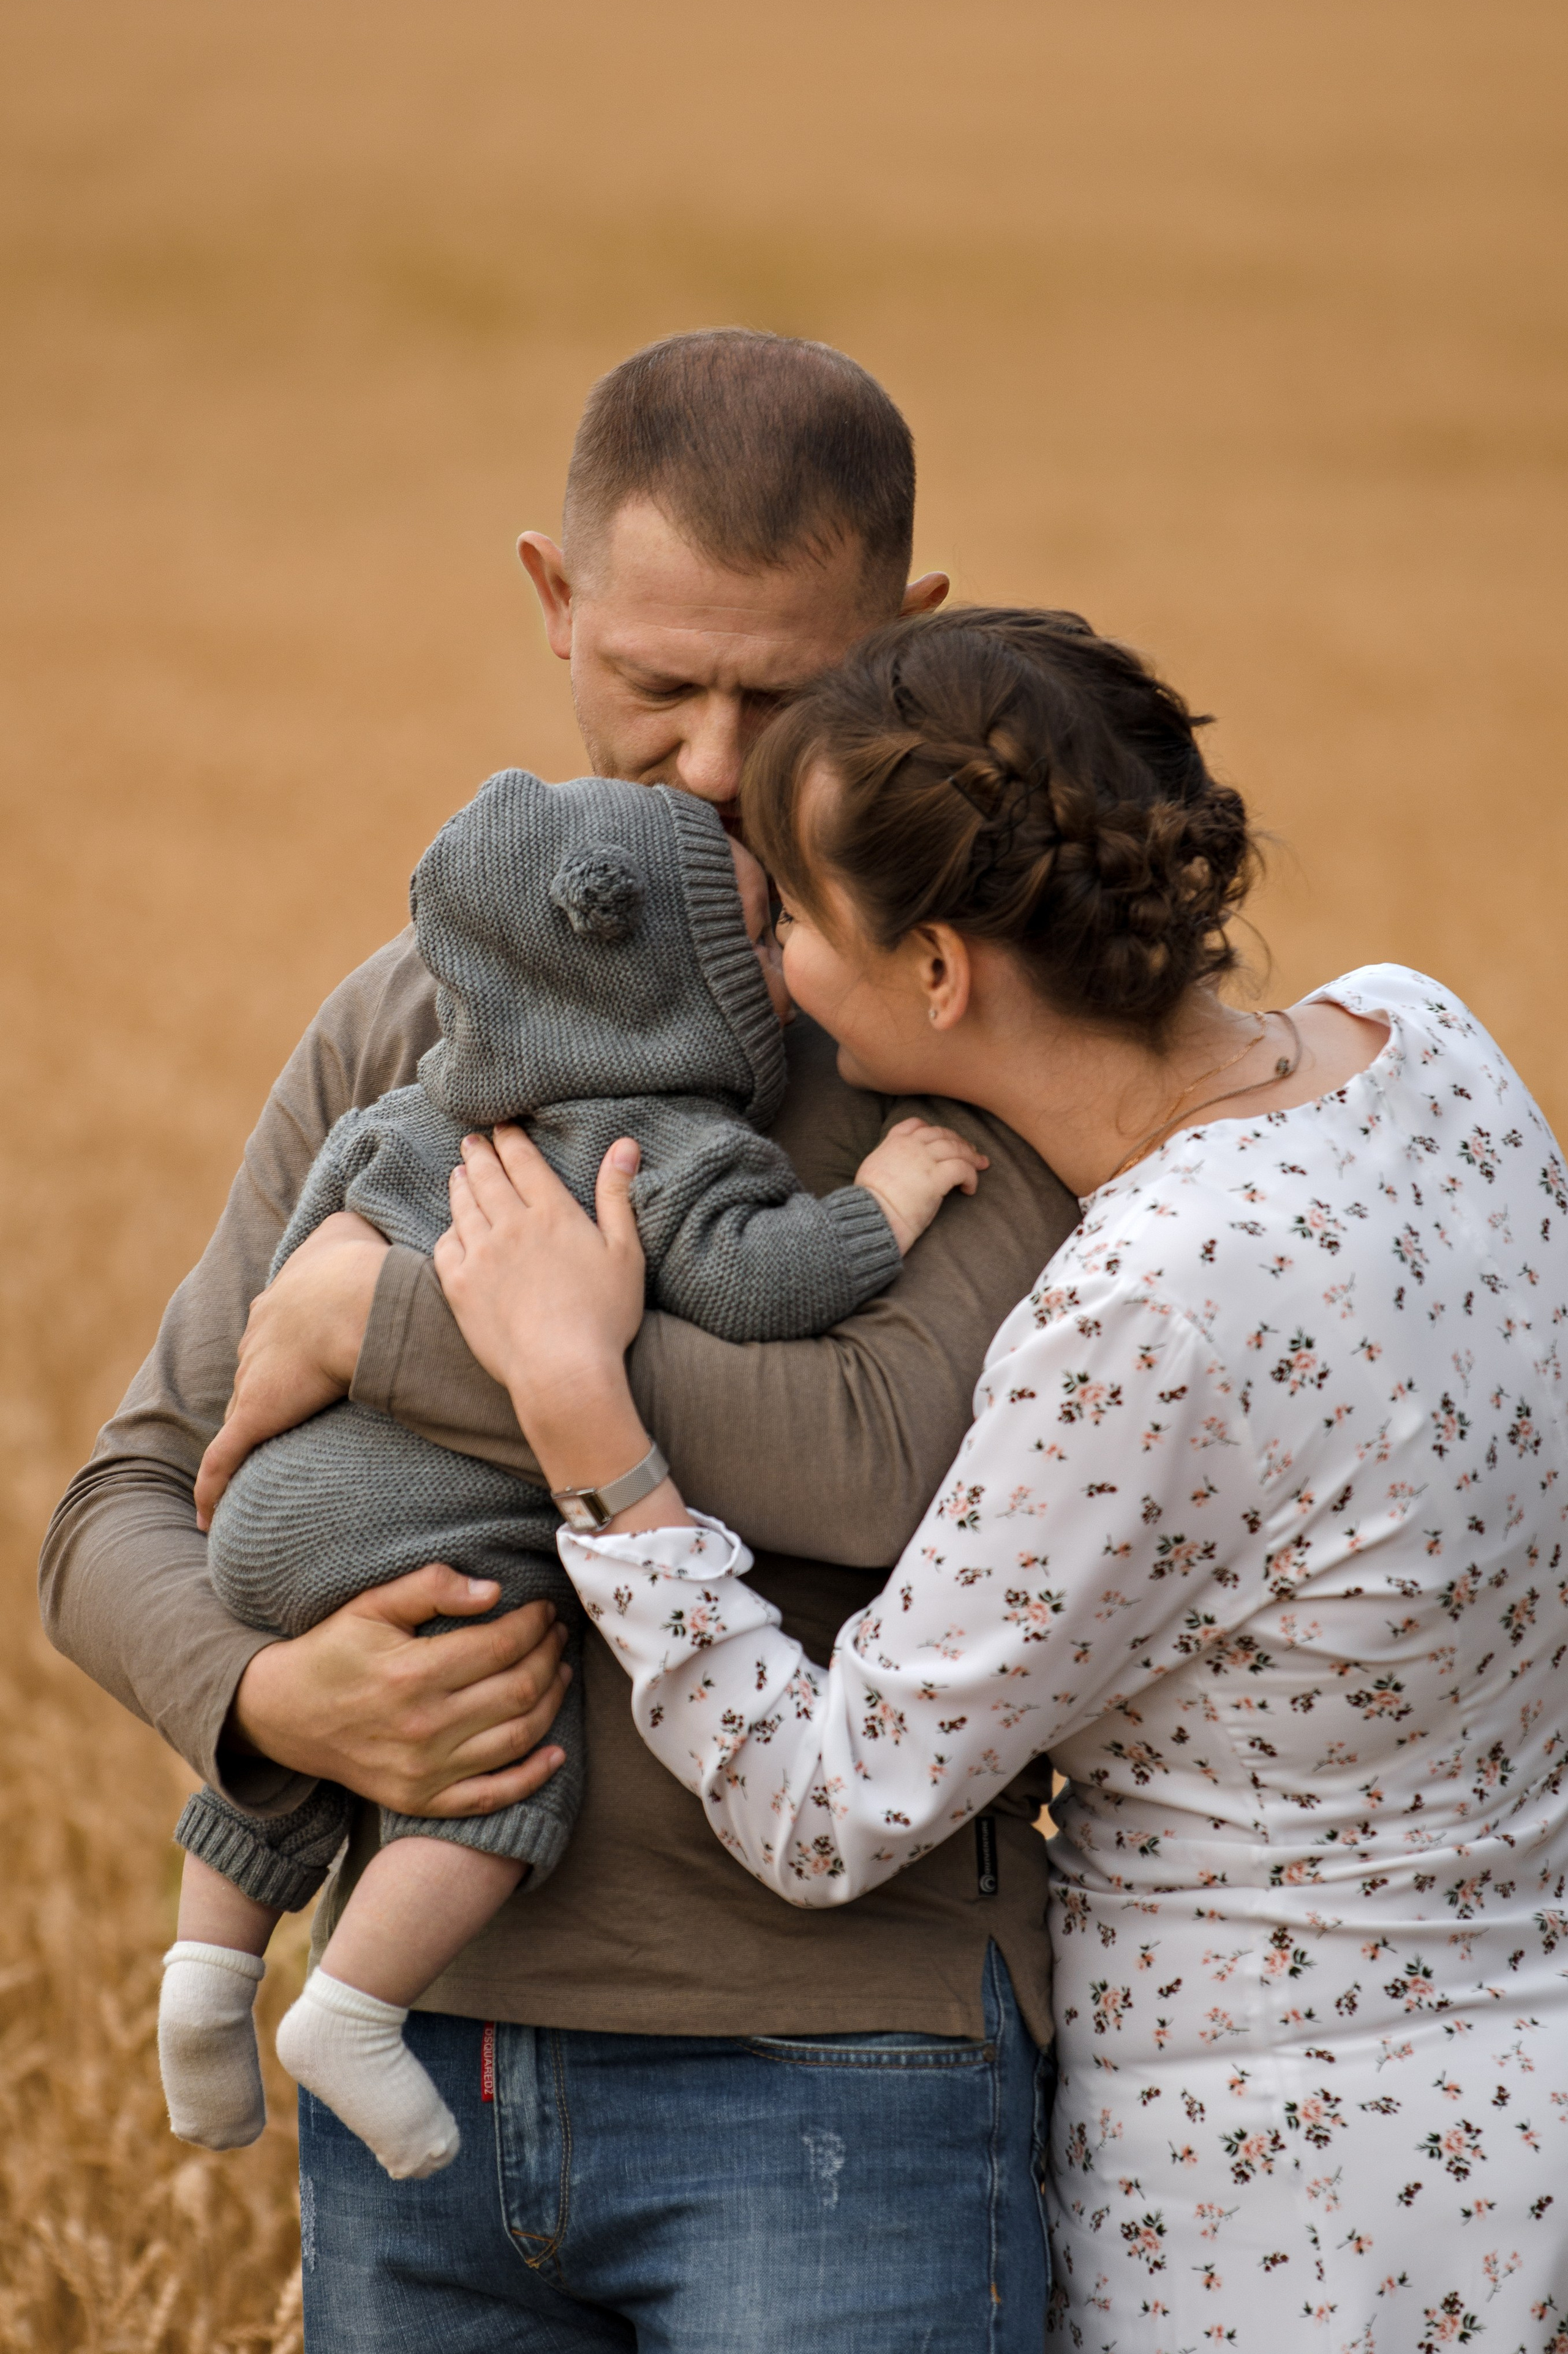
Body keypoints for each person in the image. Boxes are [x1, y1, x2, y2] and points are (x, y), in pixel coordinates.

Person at [42, 334, 1075, 2347]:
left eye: (779, 697)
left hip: (837, 2084)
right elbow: (122, 1502)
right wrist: (270, 1710)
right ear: (554, 604)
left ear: (909, 647)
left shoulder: (962, 1017)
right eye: (655, 684)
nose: (708, 762)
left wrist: (397, 1321)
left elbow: (874, 1453)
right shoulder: (403, 1019)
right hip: (416, 2072)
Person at [431, 606, 1568, 2349]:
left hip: (1278, 2213)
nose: (777, 956)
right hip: (1524, 2107)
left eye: (798, 919)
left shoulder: (1153, 1302)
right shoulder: (1422, 1039)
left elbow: (836, 1803)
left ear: (942, 970)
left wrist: (589, 1419)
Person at [162, 765, 982, 2183]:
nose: (777, 961)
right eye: (752, 938)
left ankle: (201, 1964)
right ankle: (351, 2006)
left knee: (322, 1702)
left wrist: (315, 1354)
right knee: (493, 1754)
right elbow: (761, 1278)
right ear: (680, 989)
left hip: (276, 1509)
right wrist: (887, 1200)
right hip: (437, 1521)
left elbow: (303, 1263)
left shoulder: (420, 1107)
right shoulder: (659, 1141)